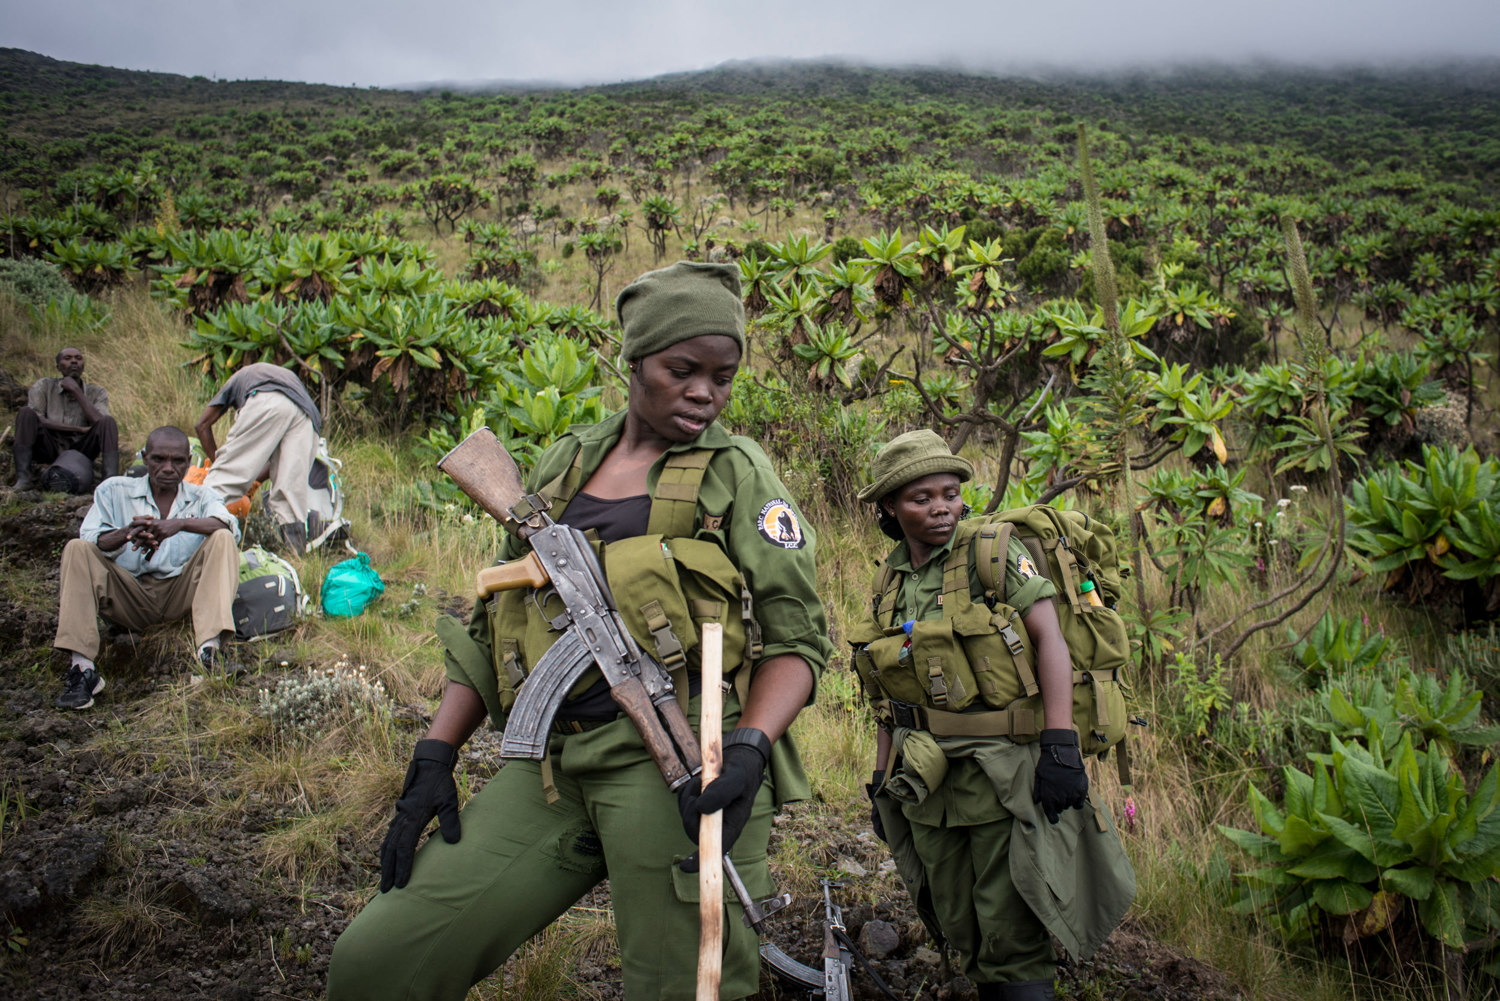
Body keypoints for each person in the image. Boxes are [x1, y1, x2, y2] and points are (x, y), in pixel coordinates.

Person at [327, 261, 832, 1001]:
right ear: (633, 361)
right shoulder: (567, 461)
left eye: (723, 376)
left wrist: (750, 749)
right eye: (682, 369)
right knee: (377, 963)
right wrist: (436, 750)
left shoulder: (737, 474)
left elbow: (799, 639)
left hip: (682, 763)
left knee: (687, 988)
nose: (705, 392)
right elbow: (492, 619)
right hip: (553, 766)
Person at [851, 430, 1134, 1001]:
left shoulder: (995, 550)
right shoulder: (889, 581)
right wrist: (882, 782)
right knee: (960, 922)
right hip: (928, 781)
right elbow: (889, 693)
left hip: (1004, 776)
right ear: (888, 507)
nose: (941, 508)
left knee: (1012, 933)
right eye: (921, 497)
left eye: (950, 493)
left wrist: (1060, 744)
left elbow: (1049, 638)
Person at [53, 426, 241, 710]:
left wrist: (177, 525)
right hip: (128, 595)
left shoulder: (202, 497)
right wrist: (127, 533)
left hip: (180, 595)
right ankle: (82, 669)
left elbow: (228, 524)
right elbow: (91, 537)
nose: (168, 468)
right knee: (76, 549)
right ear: (144, 458)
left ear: (189, 462)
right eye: (158, 459)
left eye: (178, 461)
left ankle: (209, 653)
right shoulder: (114, 491)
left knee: (223, 538)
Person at [194, 361, 329, 554]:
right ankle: (295, 560)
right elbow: (277, 464)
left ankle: (189, 543)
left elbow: (202, 425)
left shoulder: (236, 380)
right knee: (290, 496)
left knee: (220, 483)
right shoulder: (276, 375)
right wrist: (253, 482)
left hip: (266, 399)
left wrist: (218, 465)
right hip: (307, 414)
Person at [12, 346, 119, 491]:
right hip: (50, 444)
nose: (74, 362)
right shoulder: (44, 386)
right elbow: (37, 418)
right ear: (58, 366)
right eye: (67, 358)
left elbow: (100, 422)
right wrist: (77, 429)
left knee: (108, 421)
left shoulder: (97, 392)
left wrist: (77, 391)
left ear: (83, 366)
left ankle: (110, 483)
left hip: (81, 449)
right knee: (25, 413)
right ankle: (24, 478)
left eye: (78, 358)